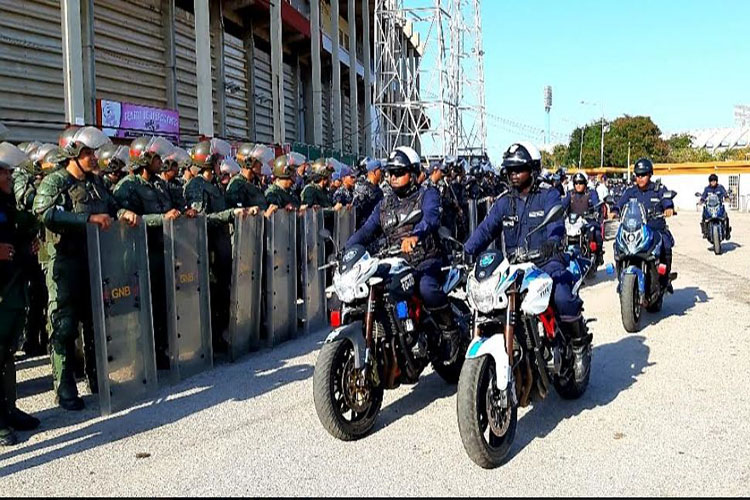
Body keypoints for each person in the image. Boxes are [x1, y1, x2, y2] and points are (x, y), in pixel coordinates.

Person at [33, 127, 139, 410]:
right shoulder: (56, 182)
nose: (93, 158)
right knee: (64, 324)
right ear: (72, 154)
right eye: (87, 153)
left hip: (94, 259)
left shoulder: (96, 182)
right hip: (64, 262)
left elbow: (113, 205)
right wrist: (88, 219)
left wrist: (122, 213)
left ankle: (97, 378)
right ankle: (65, 386)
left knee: (95, 320)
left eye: (93, 153)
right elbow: (44, 213)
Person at [464, 142, 591, 377]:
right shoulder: (504, 202)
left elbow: (556, 224)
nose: (513, 174)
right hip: (515, 266)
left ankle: (578, 344)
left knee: (562, 297)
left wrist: (552, 241)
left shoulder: (548, 195)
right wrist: (467, 250)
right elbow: (486, 229)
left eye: (519, 169)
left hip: (547, 262)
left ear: (532, 169)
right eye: (510, 169)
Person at [345, 146, 457, 359]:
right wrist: (347, 250)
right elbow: (367, 230)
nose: (393, 177)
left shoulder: (427, 194)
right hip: (395, 262)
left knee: (426, 288)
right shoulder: (384, 204)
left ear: (413, 174)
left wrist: (416, 235)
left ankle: (448, 330)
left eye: (399, 172)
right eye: (390, 173)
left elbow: (431, 218)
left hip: (425, 259)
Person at [113, 136, 183, 369]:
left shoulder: (159, 184)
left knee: (162, 304)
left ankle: (160, 351)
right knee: (142, 307)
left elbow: (170, 208)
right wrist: (162, 219)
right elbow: (129, 222)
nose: (160, 161)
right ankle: (141, 357)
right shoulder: (127, 186)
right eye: (156, 157)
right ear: (144, 159)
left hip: (163, 250)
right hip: (140, 254)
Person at [184, 139, 245, 351]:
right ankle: (212, 339)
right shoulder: (196, 186)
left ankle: (221, 334)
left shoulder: (215, 186)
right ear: (208, 163)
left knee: (222, 292)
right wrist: (229, 214)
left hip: (220, 246)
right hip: (205, 248)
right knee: (211, 293)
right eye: (217, 162)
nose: (221, 166)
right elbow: (201, 219)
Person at [0, 142, 41, 445]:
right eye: (5, 173)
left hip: (12, 289)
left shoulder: (7, 205)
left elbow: (18, 233)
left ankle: (9, 409)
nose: (10, 178)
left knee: (7, 355)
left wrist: (29, 246)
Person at [609, 157, 676, 288]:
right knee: (618, 245)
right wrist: (615, 211)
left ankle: (665, 278)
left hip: (655, 230)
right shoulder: (630, 191)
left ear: (650, 174)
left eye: (643, 174)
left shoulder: (658, 190)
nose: (640, 178)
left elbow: (666, 200)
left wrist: (668, 208)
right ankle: (621, 277)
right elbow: (620, 204)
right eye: (637, 175)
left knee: (666, 244)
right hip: (636, 230)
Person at [563, 172, 604, 265]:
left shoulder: (591, 193)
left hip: (588, 221)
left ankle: (598, 255)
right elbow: (562, 205)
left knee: (597, 233)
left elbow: (596, 203)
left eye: (581, 183)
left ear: (585, 184)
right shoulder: (570, 194)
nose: (578, 185)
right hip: (572, 223)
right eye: (576, 183)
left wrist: (596, 211)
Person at [228, 142, 269, 212]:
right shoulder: (237, 185)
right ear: (249, 162)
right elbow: (237, 213)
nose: (261, 164)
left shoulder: (255, 183)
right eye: (258, 161)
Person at [352, 158, 384, 228]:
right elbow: (356, 212)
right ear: (374, 171)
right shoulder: (363, 189)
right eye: (380, 171)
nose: (382, 173)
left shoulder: (379, 190)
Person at [699, 173, 731, 239]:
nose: (713, 182)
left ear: (716, 181)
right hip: (709, 207)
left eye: (714, 180)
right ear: (709, 182)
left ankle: (727, 232)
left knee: (726, 216)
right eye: (711, 181)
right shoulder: (707, 189)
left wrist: (727, 198)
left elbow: (725, 194)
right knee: (703, 215)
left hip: (719, 206)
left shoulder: (720, 187)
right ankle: (704, 232)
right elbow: (703, 196)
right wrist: (701, 201)